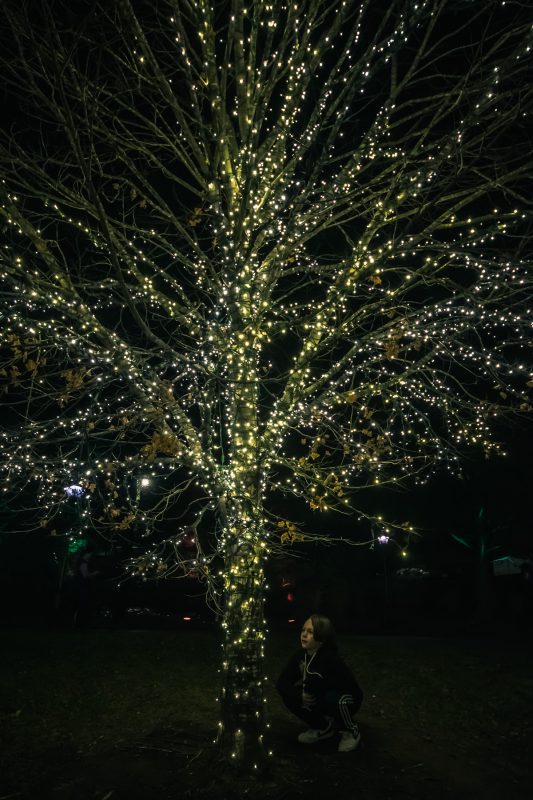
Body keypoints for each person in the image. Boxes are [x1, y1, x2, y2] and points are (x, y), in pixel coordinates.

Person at [276, 614, 363, 752]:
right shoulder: (301, 656)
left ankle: (351, 731)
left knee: (334, 699)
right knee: (290, 696)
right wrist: (299, 696)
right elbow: (282, 682)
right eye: (303, 630)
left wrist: (314, 682)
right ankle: (323, 728)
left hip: (346, 698)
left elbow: (348, 687)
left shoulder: (330, 658)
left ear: (322, 638)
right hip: (321, 695)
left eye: (310, 632)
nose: (304, 635)